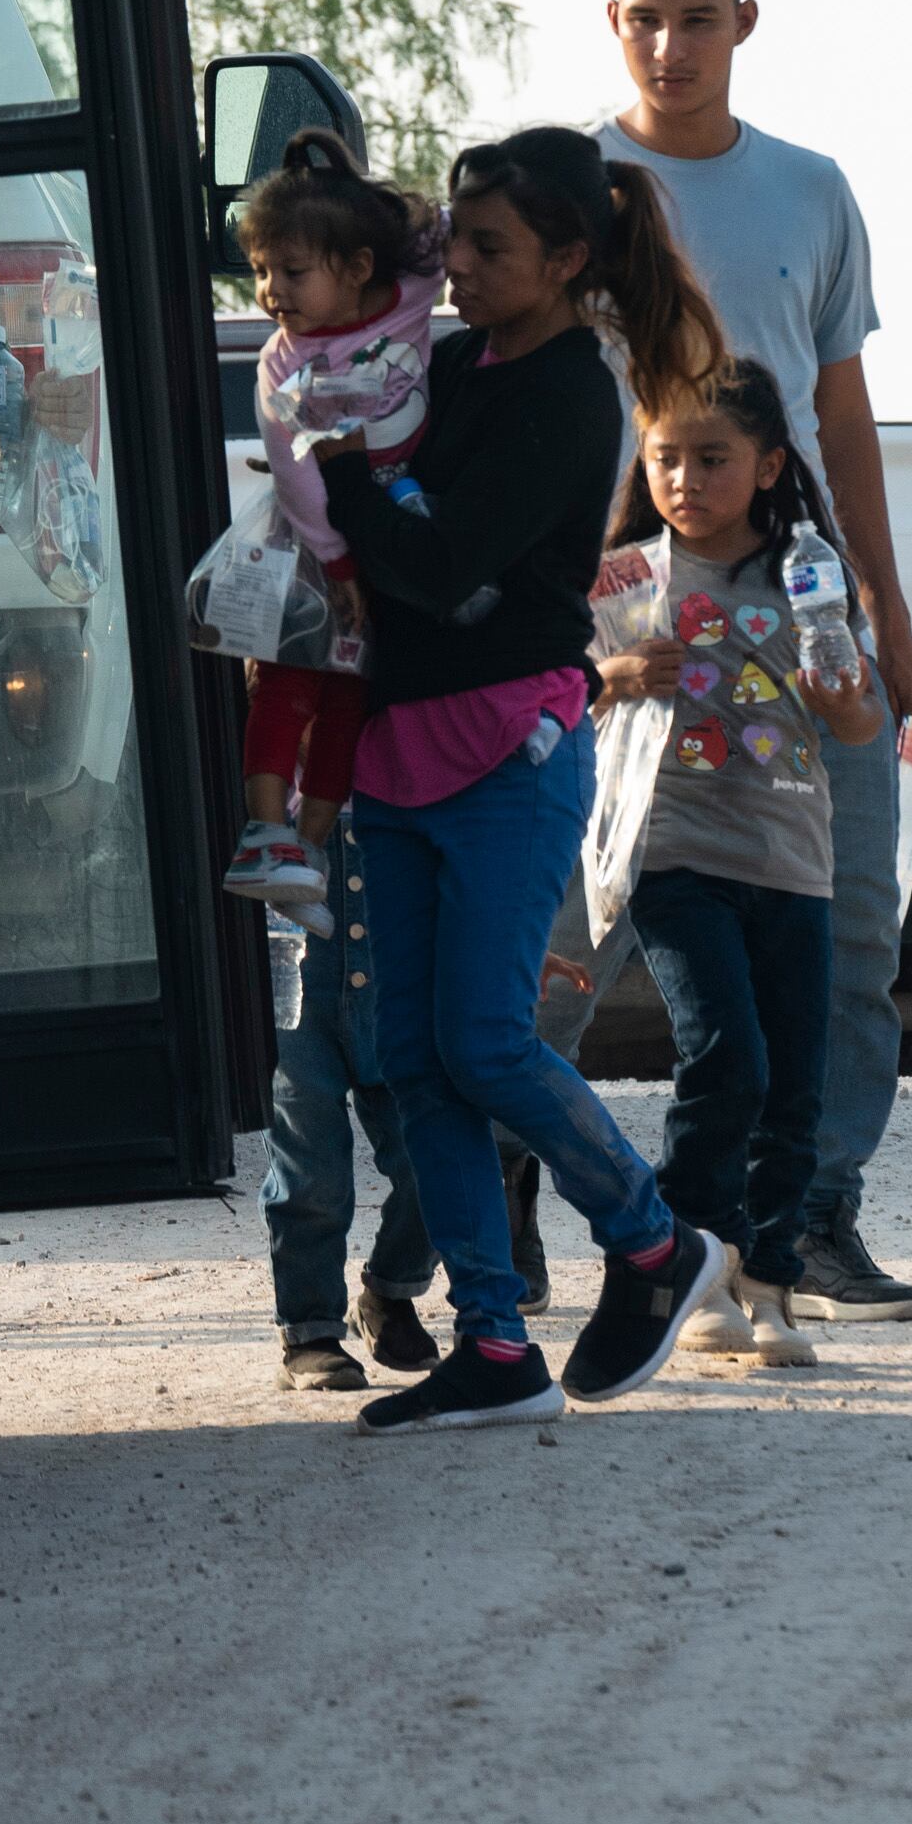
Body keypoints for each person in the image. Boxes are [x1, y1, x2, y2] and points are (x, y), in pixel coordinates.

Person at [321, 128, 735, 1433]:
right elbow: (390, 530)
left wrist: (339, 471)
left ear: (566, 257)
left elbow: (435, 565)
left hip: (509, 754)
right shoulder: (446, 367)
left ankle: (656, 1240)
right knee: (417, 1058)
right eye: (457, 241)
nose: (463, 271)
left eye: (492, 248)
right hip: (396, 749)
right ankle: (492, 1341)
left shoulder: (572, 392)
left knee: (488, 1038)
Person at [593, 0, 912, 1324]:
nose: (671, 47)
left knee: (849, 925)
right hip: (625, 606)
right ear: (613, 19)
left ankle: (812, 1218)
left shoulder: (811, 190)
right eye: (646, 20)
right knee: (574, 927)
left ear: (745, 19)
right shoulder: (573, 186)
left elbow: (842, 414)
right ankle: (512, 1224)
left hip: (800, 607)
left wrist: (888, 612)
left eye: (697, 19)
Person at [582, 362, 871, 1364]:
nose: (685, 477)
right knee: (724, 1053)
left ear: (768, 464)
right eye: (666, 456)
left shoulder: (806, 573)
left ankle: (770, 1284)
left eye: (712, 458)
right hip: (673, 853)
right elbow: (563, 694)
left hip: (791, 857)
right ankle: (689, 1261)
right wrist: (613, 673)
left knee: (793, 1079)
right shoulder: (626, 574)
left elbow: (858, 713)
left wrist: (836, 689)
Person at [221, 131, 441, 910]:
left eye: (292, 271)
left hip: (384, 534)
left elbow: (439, 229)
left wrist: (355, 185)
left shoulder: (411, 296)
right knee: (287, 681)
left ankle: (310, 850)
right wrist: (340, 564)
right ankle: (264, 834)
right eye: (261, 272)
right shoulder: (281, 362)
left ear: (356, 269)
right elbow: (295, 473)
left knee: (352, 696)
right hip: (316, 548)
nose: (273, 291)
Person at [265, 828, 440, 1388]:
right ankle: (310, 1328)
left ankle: (390, 1290)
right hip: (294, 987)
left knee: (433, 1154)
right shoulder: (271, 782)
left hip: (400, 985)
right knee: (311, 1168)